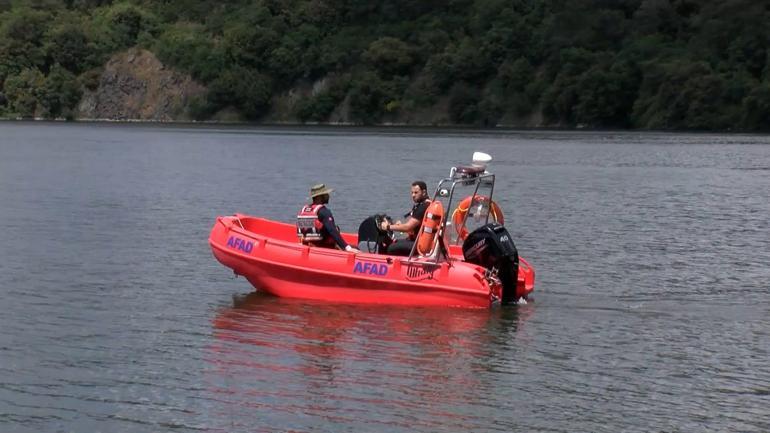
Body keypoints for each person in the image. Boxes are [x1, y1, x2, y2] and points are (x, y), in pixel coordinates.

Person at [297, 183, 360, 253]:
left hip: (308, 245)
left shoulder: (305, 210)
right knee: (356, 248)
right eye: (326, 194)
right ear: (319, 197)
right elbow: (332, 231)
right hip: (323, 247)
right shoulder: (324, 212)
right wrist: (347, 248)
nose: (328, 196)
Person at [380, 180, 431, 256]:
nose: (413, 195)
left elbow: (408, 227)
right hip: (420, 242)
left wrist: (387, 227)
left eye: (416, 193)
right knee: (394, 242)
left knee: (390, 248)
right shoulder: (427, 204)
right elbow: (413, 229)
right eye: (412, 192)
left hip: (418, 244)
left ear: (423, 192)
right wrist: (399, 226)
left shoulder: (423, 207)